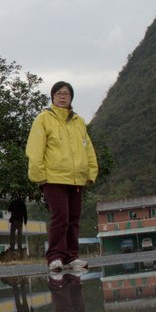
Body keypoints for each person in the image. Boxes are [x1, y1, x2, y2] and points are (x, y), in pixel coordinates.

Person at [25, 81, 98, 273]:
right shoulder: (43, 119)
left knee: (74, 219)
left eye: (66, 93)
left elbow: (88, 148)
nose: (62, 96)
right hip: (53, 178)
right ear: (52, 97)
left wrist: (91, 172)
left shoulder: (79, 121)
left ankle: (72, 256)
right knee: (60, 218)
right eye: (58, 93)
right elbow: (34, 149)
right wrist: (39, 175)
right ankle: (55, 257)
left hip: (76, 178)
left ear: (71, 97)